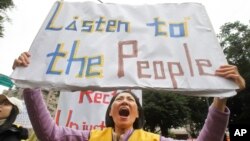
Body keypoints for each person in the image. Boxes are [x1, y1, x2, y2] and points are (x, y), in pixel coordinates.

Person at [13, 52, 245, 141]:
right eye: (118, 100)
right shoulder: (89, 137)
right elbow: (48, 133)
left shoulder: (153, 140)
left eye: (130, 100)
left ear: (136, 114)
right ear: (111, 112)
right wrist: (30, 82)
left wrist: (221, 96)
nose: (124, 101)